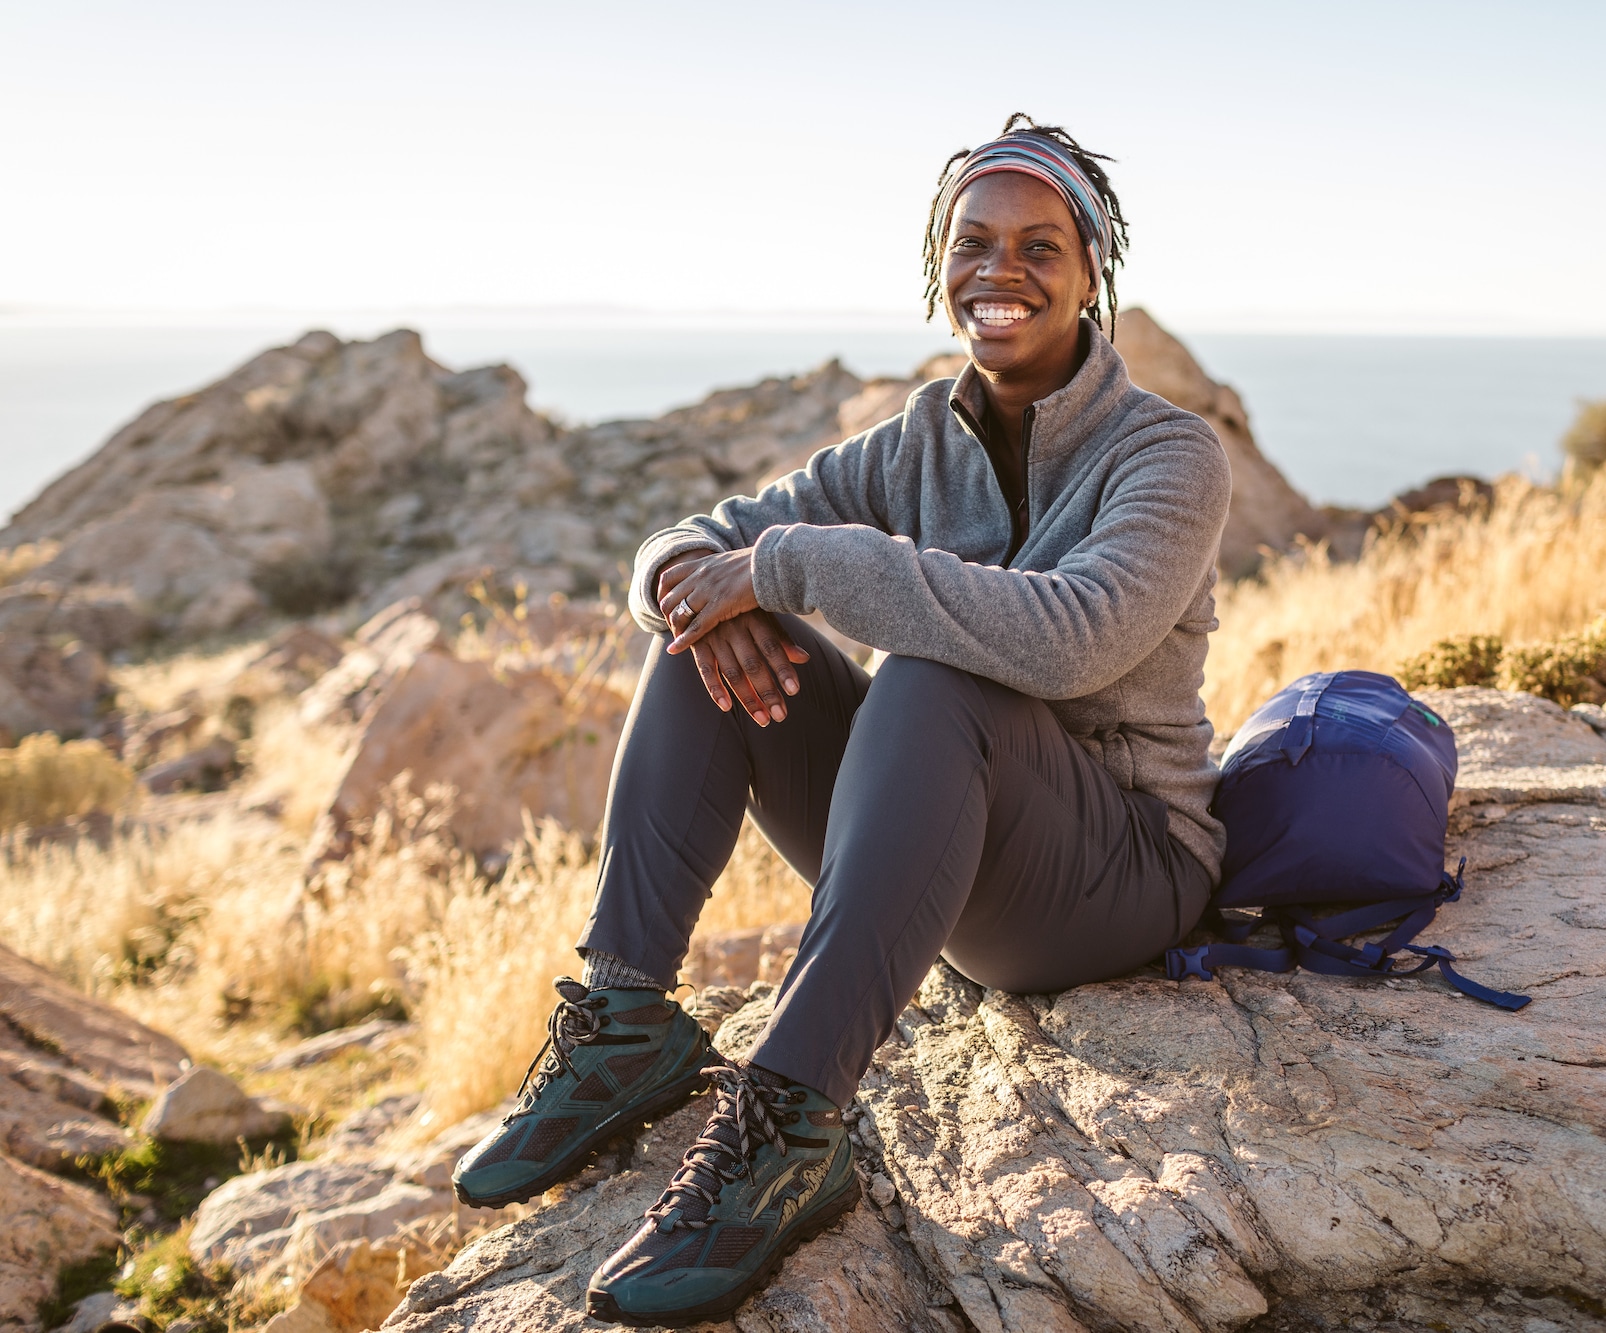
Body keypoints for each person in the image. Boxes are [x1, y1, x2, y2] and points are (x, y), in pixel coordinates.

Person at [451, 113, 1232, 1327]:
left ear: (1092, 274)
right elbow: (694, 539)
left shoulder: (1169, 456)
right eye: (973, 243)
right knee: (703, 640)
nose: (1001, 271)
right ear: (939, 266)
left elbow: (1072, 638)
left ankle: (789, 1124)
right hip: (948, 863)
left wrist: (798, 565)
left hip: (1117, 873)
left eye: (1039, 246)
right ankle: (622, 1025)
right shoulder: (921, 439)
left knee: (934, 673)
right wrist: (699, 589)